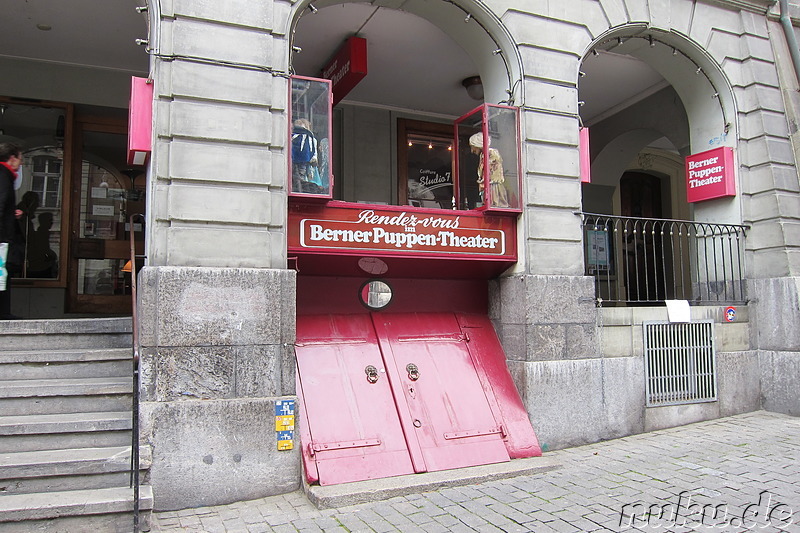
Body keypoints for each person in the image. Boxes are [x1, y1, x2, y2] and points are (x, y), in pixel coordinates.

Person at [0, 142, 24, 319]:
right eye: (20, 159)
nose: (21, 163)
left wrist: (11, 213)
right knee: (2, 273)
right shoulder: (3, 175)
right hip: (2, 237)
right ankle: (3, 314)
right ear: (12, 157)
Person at [469, 132, 509, 208]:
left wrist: (483, 181)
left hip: (492, 186)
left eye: (472, 146)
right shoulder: (483, 155)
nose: (472, 150)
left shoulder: (491, 153)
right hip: (487, 186)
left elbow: (491, 172)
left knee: (494, 205)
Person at [291, 118, 323, 194]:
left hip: (306, 161)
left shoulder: (310, 138)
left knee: (305, 174)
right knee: (297, 173)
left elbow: (313, 149)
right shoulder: (295, 137)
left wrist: (314, 158)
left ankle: (302, 185)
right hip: (297, 159)